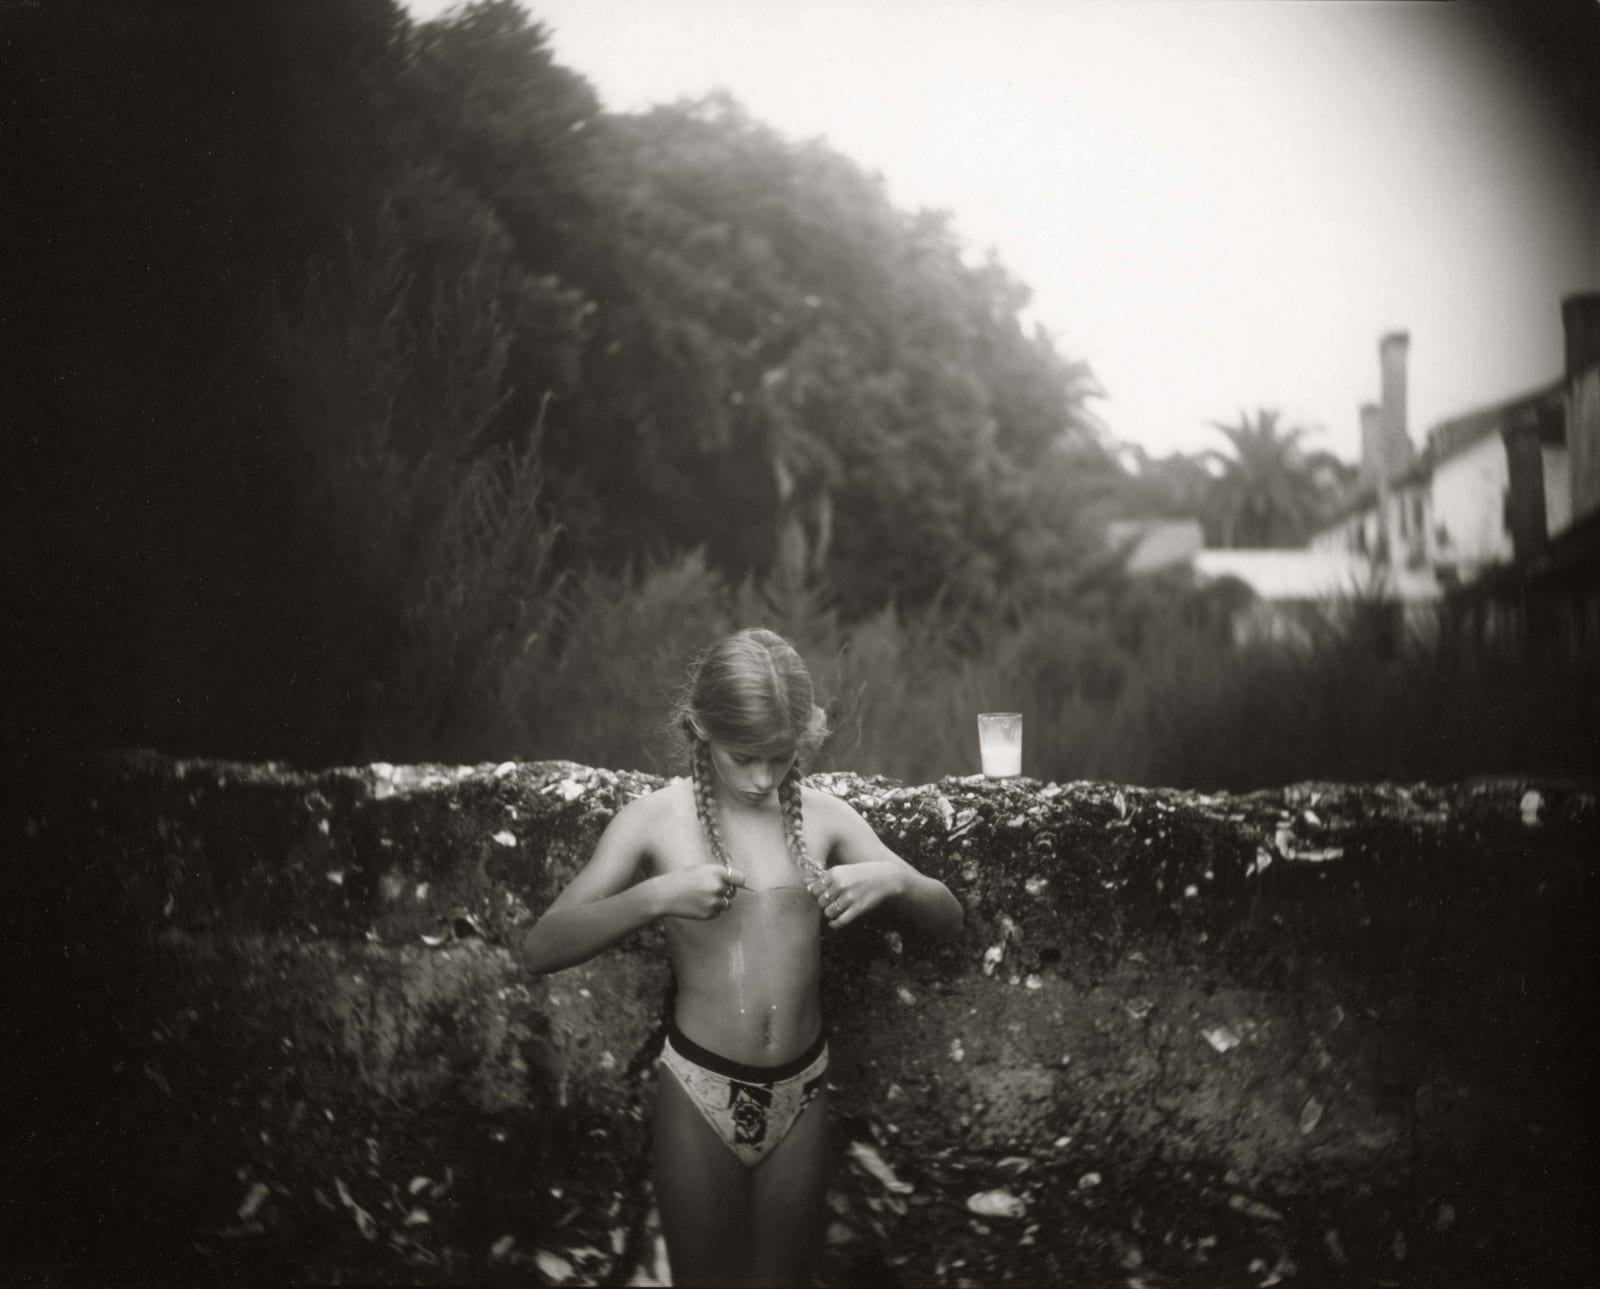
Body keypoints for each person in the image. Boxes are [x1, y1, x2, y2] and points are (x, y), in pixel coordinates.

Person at [517, 627, 964, 1287]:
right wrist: (655, 895)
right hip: (700, 1093)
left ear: (803, 740)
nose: (762, 777)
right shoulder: (655, 820)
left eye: (779, 756)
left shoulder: (825, 816)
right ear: (700, 727)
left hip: (801, 1093)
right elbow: (539, 946)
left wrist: (893, 881)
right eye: (743, 755)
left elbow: (949, 916)